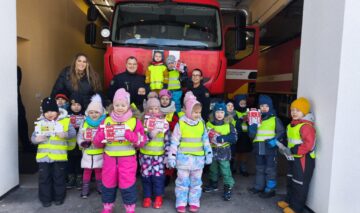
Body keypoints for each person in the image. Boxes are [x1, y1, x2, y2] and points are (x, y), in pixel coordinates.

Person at [93, 88, 146, 213]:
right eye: (117, 105)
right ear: (113, 105)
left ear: (128, 105)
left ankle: (130, 208)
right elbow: (96, 143)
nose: (120, 107)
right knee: (108, 184)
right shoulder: (106, 121)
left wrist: (130, 135)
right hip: (110, 159)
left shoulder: (134, 121)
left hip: (127, 160)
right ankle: (107, 207)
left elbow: (142, 141)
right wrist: (102, 135)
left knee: (127, 184)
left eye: (123, 105)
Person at [167, 91, 213, 213]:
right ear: (188, 111)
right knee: (182, 182)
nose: (197, 115)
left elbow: (205, 140)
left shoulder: (201, 124)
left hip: (198, 160)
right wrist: (172, 157)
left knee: (196, 183)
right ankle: (181, 202)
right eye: (194, 112)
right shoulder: (181, 123)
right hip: (183, 160)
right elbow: (174, 141)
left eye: (199, 112)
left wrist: (208, 153)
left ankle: (194, 201)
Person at [31, 97, 76, 207]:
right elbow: (32, 138)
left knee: (59, 178)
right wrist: (36, 139)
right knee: (44, 179)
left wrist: (65, 134)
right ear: (43, 112)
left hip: (59, 156)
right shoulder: (40, 122)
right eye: (46, 111)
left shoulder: (65, 121)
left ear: (57, 110)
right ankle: (45, 199)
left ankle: (59, 198)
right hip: (43, 157)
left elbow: (73, 133)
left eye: (52, 110)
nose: (49, 114)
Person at [277, 97, 316, 213]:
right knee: (290, 180)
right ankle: (289, 201)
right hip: (292, 158)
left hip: (303, 160)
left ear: (304, 112)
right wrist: (283, 147)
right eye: (292, 110)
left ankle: (296, 208)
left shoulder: (306, 127)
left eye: (297, 110)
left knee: (300, 184)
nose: (294, 112)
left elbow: (309, 145)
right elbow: (291, 141)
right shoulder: (291, 125)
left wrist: (292, 150)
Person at [247, 95, 285, 198]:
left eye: (266, 106)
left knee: (270, 169)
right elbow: (251, 135)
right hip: (259, 148)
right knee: (259, 168)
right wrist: (252, 126)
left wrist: (275, 140)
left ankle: (270, 189)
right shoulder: (255, 119)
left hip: (270, 148)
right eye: (262, 106)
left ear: (270, 107)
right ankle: (259, 186)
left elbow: (281, 132)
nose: (264, 108)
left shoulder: (275, 119)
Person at [140, 97, 170, 209]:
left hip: (159, 156)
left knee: (158, 178)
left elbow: (167, 140)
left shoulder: (164, 123)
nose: (153, 111)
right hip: (145, 156)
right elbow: (139, 141)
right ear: (146, 110)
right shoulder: (142, 123)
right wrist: (150, 135)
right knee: (146, 177)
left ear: (159, 110)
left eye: (156, 108)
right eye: (150, 109)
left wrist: (167, 155)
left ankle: (158, 197)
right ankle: (147, 197)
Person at [203, 102, 237, 201]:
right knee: (213, 168)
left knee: (225, 169)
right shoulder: (209, 123)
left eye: (222, 112)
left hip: (224, 151)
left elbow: (234, 137)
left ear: (225, 113)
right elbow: (204, 135)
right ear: (214, 113)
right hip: (212, 149)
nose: (219, 114)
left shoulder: (229, 124)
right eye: (217, 112)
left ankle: (228, 187)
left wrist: (223, 138)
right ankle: (213, 184)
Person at [77, 94, 106, 198]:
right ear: (88, 113)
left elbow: (107, 136)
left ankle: (100, 187)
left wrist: (103, 142)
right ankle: (85, 188)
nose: (94, 114)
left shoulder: (104, 123)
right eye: (91, 112)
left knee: (99, 170)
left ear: (101, 113)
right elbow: (80, 135)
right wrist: (82, 142)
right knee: (87, 171)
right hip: (87, 152)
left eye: (96, 112)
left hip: (100, 152)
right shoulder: (84, 123)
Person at [66, 92, 85, 190]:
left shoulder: (85, 117)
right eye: (73, 105)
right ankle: (70, 178)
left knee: (79, 161)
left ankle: (79, 178)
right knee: (70, 161)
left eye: (78, 105)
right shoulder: (66, 116)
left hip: (80, 145)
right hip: (69, 144)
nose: (76, 107)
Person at [233, 94, 252, 176]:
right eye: (241, 104)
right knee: (236, 152)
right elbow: (229, 123)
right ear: (237, 103)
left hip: (246, 135)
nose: (243, 105)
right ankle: (233, 167)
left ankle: (243, 168)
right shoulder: (233, 112)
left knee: (245, 152)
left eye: (244, 104)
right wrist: (239, 120)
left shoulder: (248, 112)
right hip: (237, 135)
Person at [17, 66, 34, 152]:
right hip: (14, 99)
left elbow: (16, 85)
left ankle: (26, 144)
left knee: (21, 119)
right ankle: (26, 145)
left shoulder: (17, 69)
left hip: (16, 99)